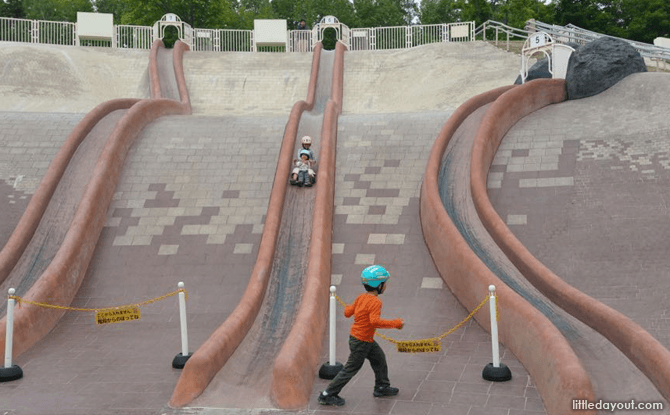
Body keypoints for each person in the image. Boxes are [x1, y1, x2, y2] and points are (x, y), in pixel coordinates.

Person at [318, 265, 404, 406]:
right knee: (350, 369)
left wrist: (351, 308)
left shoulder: (361, 297)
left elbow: (347, 313)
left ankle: (382, 387)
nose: (386, 286)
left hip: (359, 338)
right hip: (361, 341)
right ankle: (327, 394)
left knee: (379, 358)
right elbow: (375, 322)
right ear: (378, 285)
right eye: (385, 283)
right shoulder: (375, 302)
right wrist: (396, 323)